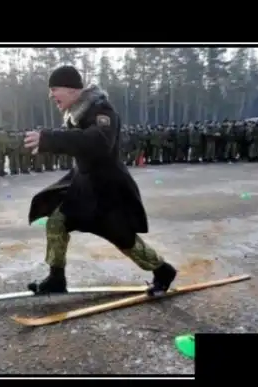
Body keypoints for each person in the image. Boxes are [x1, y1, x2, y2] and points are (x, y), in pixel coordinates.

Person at [23, 66, 177, 296]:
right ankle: (56, 278)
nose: (51, 95)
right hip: (83, 188)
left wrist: (50, 139)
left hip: (106, 192)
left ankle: (163, 271)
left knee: (123, 238)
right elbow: (78, 142)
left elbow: (98, 142)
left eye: (54, 89)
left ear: (71, 89)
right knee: (56, 222)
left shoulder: (102, 111)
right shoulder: (77, 114)